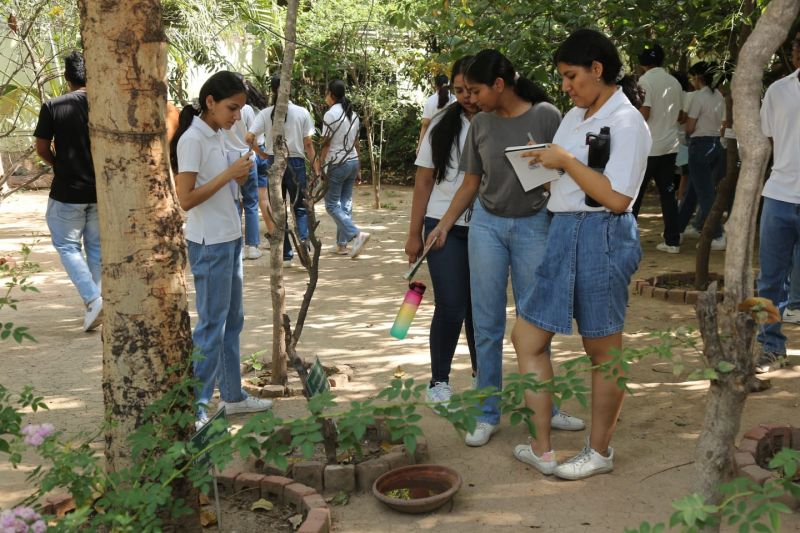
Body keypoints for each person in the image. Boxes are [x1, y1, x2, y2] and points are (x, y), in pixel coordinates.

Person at [425, 49, 585, 447]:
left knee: (535, 324)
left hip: (534, 225)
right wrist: (443, 226)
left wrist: (546, 162)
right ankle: (486, 412)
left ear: (499, 85)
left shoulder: (547, 114)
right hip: (487, 227)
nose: (471, 98)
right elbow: (470, 183)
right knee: (487, 323)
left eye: (476, 90)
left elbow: (568, 172)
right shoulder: (480, 124)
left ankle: (546, 409)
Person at [512, 28, 651, 480]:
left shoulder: (628, 122)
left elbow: (616, 199)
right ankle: (543, 449)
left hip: (604, 234)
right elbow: (572, 179)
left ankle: (599, 451)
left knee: (602, 350)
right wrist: (543, 165)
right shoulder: (574, 117)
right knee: (528, 338)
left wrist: (565, 163)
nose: (566, 86)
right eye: (563, 78)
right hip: (563, 229)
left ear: (598, 69)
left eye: (572, 76)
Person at [170, 71, 273, 428]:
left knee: (233, 320)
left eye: (241, 109)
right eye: (232, 108)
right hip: (208, 242)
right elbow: (185, 199)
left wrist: (240, 175)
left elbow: (228, 179)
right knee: (212, 325)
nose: (236, 116)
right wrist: (230, 174)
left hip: (229, 238)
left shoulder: (218, 133)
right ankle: (197, 409)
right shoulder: (191, 140)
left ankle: (232, 396)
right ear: (209, 102)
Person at [405, 56, 478, 405]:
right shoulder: (441, 124)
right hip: (442, 225)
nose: (465, 96)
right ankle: (439, 382)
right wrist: (413, 233)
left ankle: (484, 377)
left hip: (487, 226)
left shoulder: (499, 122)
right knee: (451, 304)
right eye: (459, 89)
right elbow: (423, 182)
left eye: (471, 89)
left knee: (481, 307)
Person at [33, 50, 103, 332]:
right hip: (99, 191)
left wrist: (58, 165)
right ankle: (98, 302)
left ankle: (93, 299)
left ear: (67, 77)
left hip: (67, 191)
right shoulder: (103, 104)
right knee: (96, 248)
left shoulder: (53, 106)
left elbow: (41, 148)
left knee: (66, 245)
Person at [755, 34, 800, 373]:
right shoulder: (778, 91)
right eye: (797, 45)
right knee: (770, 279)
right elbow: (768, 139)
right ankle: (769, 346)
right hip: (779, 196)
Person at [246, 75, 315, 268]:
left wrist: (263, 154)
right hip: (296, 162)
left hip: (273, 161)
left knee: (278, 209)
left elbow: (249, 137)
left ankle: (286, 254)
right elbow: (308, 143)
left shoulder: (266, 113)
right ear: (288, 89)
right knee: (300, 207)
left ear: (273, 90)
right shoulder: (302, 112)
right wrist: (317, 168)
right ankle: (304, 242)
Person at [631, 43, 683, 254]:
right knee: (668, 194)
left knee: (635, 195)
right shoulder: (674, 82)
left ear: (642, 63)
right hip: (670, 147)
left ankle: (628, 240)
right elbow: (681, 115)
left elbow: (645, 112)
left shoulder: (645, 81)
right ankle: (672, 241)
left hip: (649, 147)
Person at [316, 80, 371, 258]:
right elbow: (356, 143)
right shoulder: (352, 114)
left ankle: (356, 234)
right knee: (345, 203)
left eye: (326, 93)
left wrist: (322, 166)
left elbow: (325, 144)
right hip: (352, 161)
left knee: (332, 205)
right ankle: (342, 245)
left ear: (331, 94)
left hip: (337, 162)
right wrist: (359, 167)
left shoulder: (331, 115)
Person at [677, 61, 726, 249]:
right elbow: (722, 123)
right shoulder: (718, 96)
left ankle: (718, 234)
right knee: (694, 191)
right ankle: (677, 230)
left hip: (699, 145)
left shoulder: (699, 97)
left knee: (705, 193)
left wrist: (686, 134)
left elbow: (689, 126)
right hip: (715, 145)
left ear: (698, 77)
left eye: (692, 77)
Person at [222, 74, 261, 260]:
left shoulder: (223, 109)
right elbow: (253, 137)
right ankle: (252, 246)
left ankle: (236, 243)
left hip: (228, 159)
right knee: (251, 202)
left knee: (234, 203)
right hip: (246, 156)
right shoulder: (247, 110)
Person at [417, 74, 456, 152]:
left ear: (435, 86)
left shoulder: (430, 101)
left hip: (432, 141)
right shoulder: (455, 100)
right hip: (452, 141)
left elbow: (425, 124)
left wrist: (419, 146)